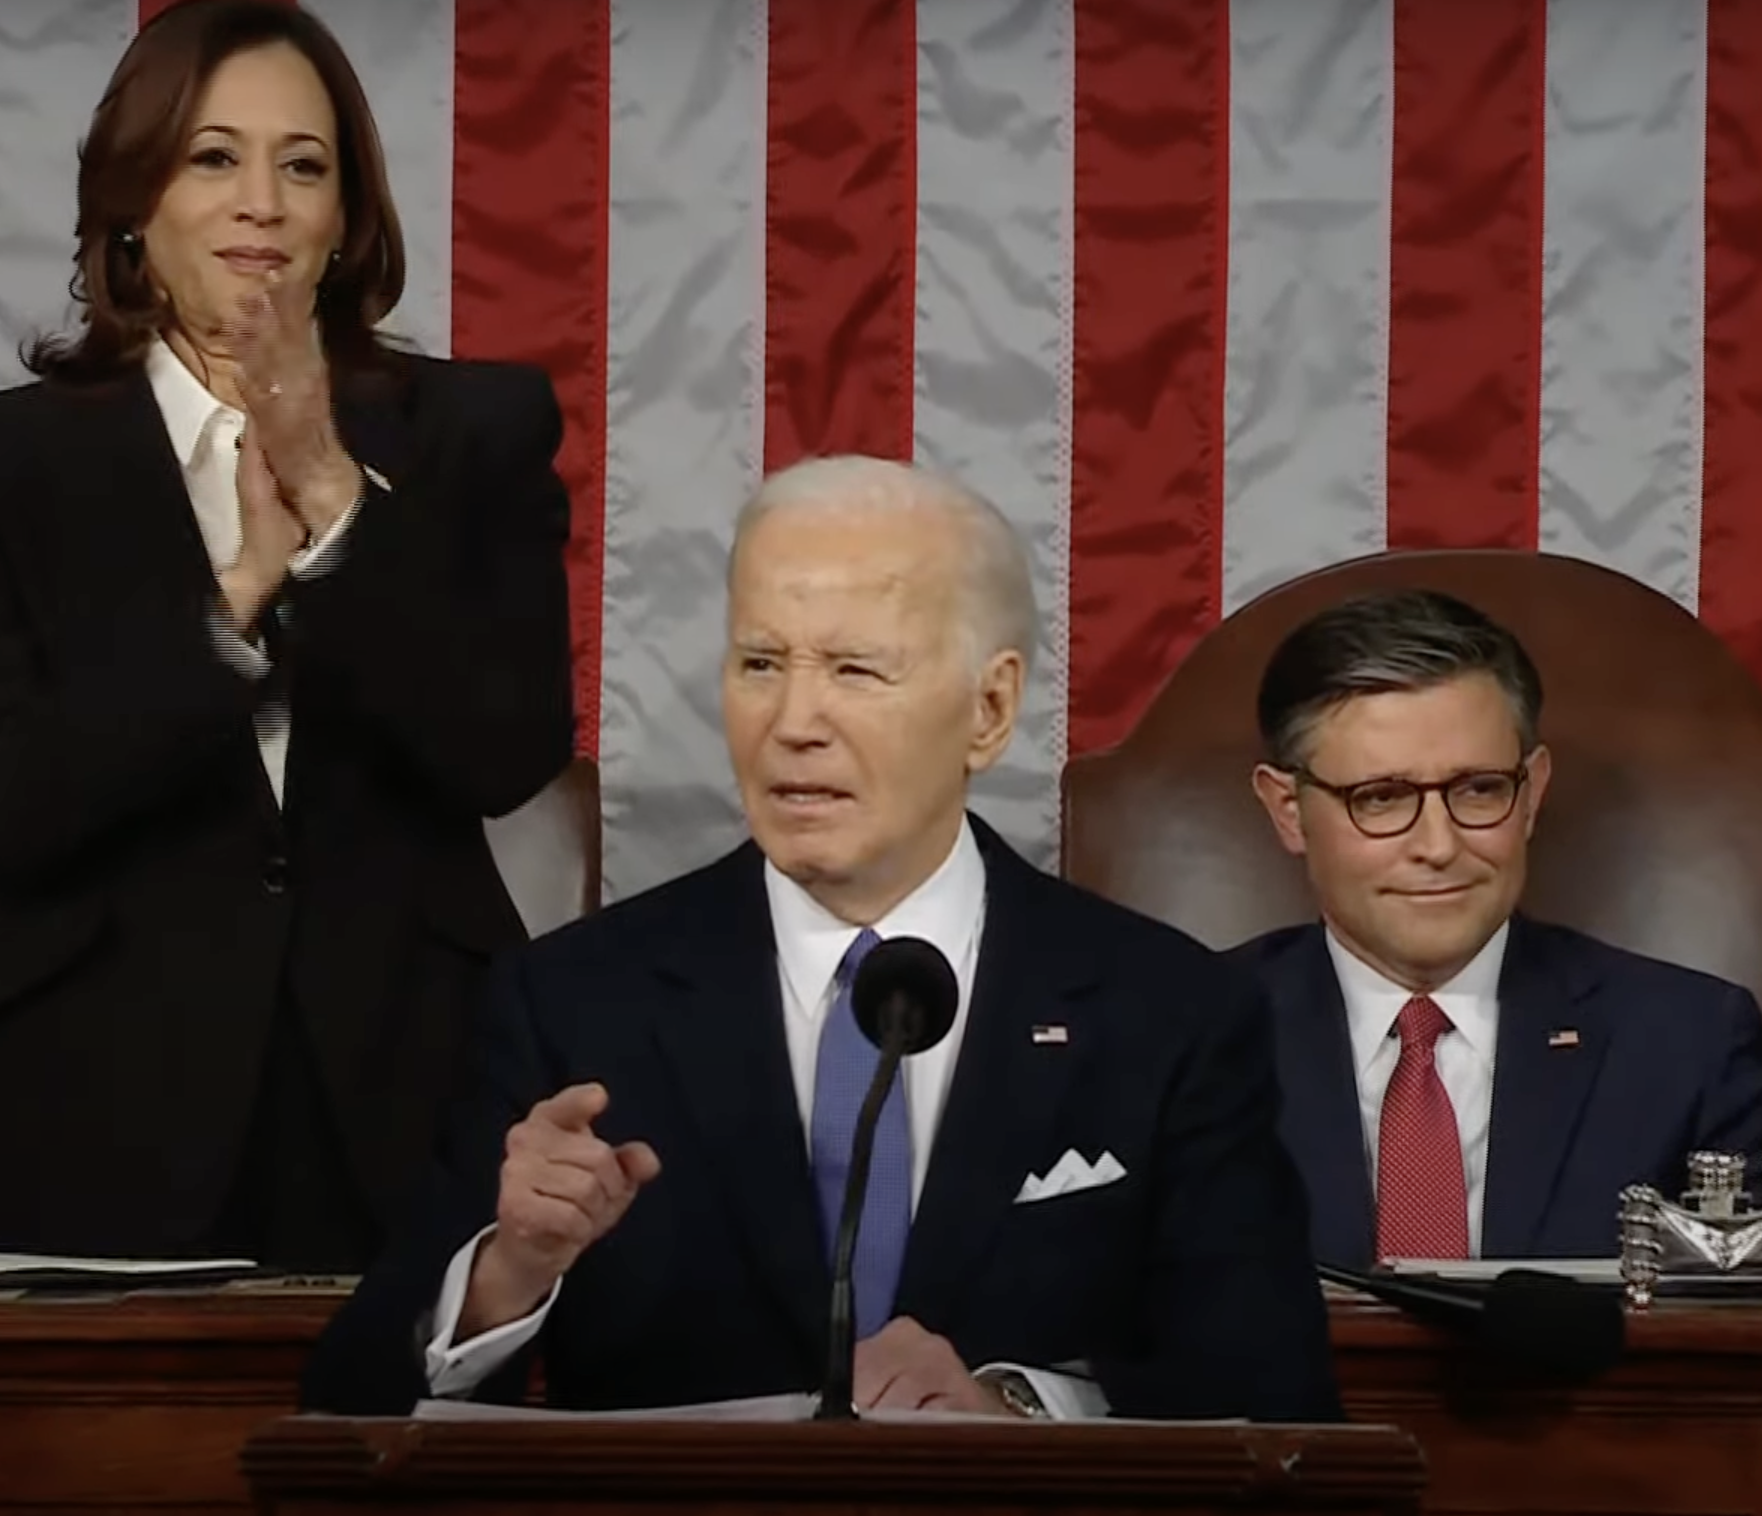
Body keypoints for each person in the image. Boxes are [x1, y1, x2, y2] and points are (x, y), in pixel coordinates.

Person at [300, 454, 1339, 1421]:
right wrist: (506, 1272)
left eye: (853, 670)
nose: (793, 720)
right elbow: (346, 1403)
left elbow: (1277, 1401)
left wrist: (1022, 1412)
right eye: (760, 662)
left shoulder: (1169, 1012)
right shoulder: (574, 1001)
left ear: (989, 708)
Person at [0, 0, 573, 1271]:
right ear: (134, 205)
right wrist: (235, 607)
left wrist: (332, 513)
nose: (261, 200)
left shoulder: (474, 431)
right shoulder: (19, 464)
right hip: (80, 1102)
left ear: (345, 221)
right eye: (214, 157)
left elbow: (503, 746)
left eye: (302, 165)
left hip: (405, 1091)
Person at [1234, 589, 1762, 1267]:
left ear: (1533, 793)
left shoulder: (1692, 1045)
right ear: (1287, 810)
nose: (1438, 844)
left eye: (1479, 789)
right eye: (1382, 797)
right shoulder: (1186, 1037)